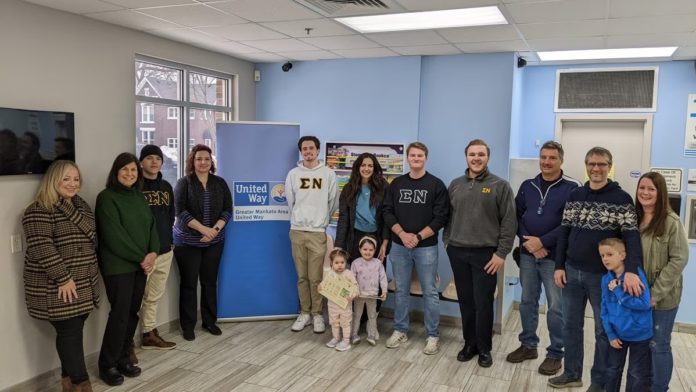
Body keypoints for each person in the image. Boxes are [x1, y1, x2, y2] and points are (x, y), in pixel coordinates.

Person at [549, 146, 643, 392]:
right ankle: (571, 374)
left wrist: (631, 269)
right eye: (591, 163)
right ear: (586, 166)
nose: (596, 168)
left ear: (609, 166)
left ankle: (599, 383)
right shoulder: (575, 194)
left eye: (601, 164)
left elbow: (632, 238)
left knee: (604, 331)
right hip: (571, 271)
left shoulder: (622, 199)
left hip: (603, 279)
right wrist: (559, 266)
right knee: (570, 326)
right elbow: (564, 233)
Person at [22, 160, 99, 392]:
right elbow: (42, 247)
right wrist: (63, 278)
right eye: (66, 179)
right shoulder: (38, 209)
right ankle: (80, 383)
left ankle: (68, 382)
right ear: (53, 180)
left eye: (76, 179)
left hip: (84, 280)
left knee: (74, 332)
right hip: (57, 284)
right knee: (70, 333)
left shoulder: (82, 205)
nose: (72, 184)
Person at [506, 141, 580, 375]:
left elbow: (570, 224)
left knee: (556, 307)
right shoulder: (528, 186)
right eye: (543, 157)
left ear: (561, 160)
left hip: (555, 259)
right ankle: (528, 345)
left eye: (552, 158)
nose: (547, 162)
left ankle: (556, 353)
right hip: (528, 256)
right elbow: (516, 217)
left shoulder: (572, 189)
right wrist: (530, 243)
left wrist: (543, 242)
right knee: (528, 301)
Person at [444, 139, 516, 368]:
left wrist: (501, 253)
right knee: (465, 301)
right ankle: (469, 344)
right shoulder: (455, 184)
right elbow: (448, 217)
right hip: (458, 251)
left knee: (483, 303)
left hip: (487, 255)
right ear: (466, 157)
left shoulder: (500, 186)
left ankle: (484, 349)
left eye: (481, 154)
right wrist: (448, 242)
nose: (476, 158)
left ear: (488, 157)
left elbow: (509, 222)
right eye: (472, 154)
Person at [96, 152, 159, 387]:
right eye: (125, 170)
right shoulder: (106, 198)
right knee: (120, 314)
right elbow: (114, 237)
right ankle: (107, 364)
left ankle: (123, 358)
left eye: (133, 170)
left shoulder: (138, 197)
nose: (130, 174)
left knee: (132, 312)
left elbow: (152, 227)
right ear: (116, 172)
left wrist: (153, 252)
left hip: (140, 265)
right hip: (118, 266)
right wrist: (141, 257)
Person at [383, 141, 449, 355]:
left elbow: (441, 218)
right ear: (407, 158)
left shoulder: (436, 185)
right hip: (399, 245)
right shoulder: (397, 184)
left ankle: (432, 335)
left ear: (426, 158)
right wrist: (402, 234)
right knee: (401, 289)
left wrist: (418, 237)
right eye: (412, 155)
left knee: (430, 291)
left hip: (426, 247)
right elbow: (387, 212)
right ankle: (400, 330)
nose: (416, 159)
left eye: (420, 156)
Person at [635, 172, 689, 391]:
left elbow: (679, 259)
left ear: (660, 192)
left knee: (659, 345)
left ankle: (659, 388)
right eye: (642, 188)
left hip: (662, 299)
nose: (645, 193)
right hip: (637, 296)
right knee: (643, 345)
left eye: (651, 189)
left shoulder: (671, 221)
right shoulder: (634, 217)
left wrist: (654, 294)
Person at [173, 144, 232, 341]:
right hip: (188, 242)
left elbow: (227, 210)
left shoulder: (219, 183)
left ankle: (209, 322)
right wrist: (203, 229)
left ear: (211, 161)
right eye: (199, 159)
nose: (203, 162)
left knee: (209, 283)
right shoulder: (184, 183)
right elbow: (180, 211)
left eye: (207, 159)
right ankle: (188, 326)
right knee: (189, 284)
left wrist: (214, 231)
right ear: (193, 161)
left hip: (214, 242)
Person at [285, 135, 338, 333]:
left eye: (311, 148)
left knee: (316, 277)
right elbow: (291, 201)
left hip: (317, 232)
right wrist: (299, 218)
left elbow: (333, 202)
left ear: (318, 150)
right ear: (301, 152)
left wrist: (320, 220)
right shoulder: (293, 174)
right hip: (297, 230)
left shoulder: (328, 174)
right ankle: (304, 313)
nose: (308, 152)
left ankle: (317, 314)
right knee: (302, 276)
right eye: (304, 149)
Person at [599, 238, 653, 392]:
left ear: (622, 256)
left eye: (609, 254)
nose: (605, 259)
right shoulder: (605, 280)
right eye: (602, 256)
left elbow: (644, 304)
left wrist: (619, 291)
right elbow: (604, 309)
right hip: (617, 335)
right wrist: (610, 334)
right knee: (612, 370)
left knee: (636, 374)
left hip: (640, 335)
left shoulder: (636, 277)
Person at [138, 145, 176, 350]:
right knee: (135, 298)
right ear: (141, 161)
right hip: (144, 254)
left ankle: (149, 332)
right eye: (149, 158)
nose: (154, 162)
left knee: (154, 296)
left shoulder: (166, 187)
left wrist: (168, 241)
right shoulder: (135, 187)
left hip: (165, 250)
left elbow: (170, 216)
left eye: (158, 158)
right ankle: (127, 341)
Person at [335, 152, 390, 263]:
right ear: (357, 167)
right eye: (363, 165)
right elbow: (343, 219)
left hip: (377, 237)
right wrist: (339, 246)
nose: (366, 168)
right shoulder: (348, 188)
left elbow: (387, 216)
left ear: (375, 168)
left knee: (375, 275)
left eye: (370, 166)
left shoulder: (384, 187)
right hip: (355, 237)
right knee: (356, 274)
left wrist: (385, 243)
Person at [350, 236, 388, 345]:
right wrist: (354, 290)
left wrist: (384, 291)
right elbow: (351, 279)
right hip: (359, 296)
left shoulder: (378, 263)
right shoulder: (355, 263)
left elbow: (383, 278)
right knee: (357, 315)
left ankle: (371, 335)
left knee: (372, 315)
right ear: (360, 249)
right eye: (365, 249)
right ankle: (354, 335)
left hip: (372, 295)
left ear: (375, 250)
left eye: (371, 250)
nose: (368, 252)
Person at [320, 249, 359, 351]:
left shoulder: (348, 274)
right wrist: (320, 287)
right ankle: (336, 338)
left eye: (342, 262)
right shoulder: (330, 274)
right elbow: (324, 285)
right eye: (336, 263)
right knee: (334, 322)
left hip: (345, 305)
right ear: (331, 263)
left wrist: (353, 295)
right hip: (332, 305)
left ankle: (346, 340)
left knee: (345, 322)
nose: (340, 265)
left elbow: (355, 287)